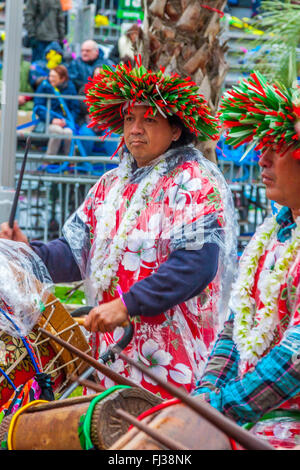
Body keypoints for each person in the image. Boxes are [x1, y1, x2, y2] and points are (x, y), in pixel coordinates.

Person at [0, 60, 237, 398]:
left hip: (175, 365)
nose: (135, 129)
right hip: (111, 360)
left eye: (149, 119)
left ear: (175, 130)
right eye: (129, 118)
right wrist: (24, 251)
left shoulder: (195, 181)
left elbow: (196, 265)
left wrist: (127, 305)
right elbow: (72, 253)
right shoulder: (109, 184)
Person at [193, 71, 300, 449]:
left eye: (278, 146)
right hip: (249, 421)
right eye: (262, 145)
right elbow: (237, 326)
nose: (262, 158)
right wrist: (206, 392)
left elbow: (296, 357)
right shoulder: (272, 232)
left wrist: (220, 405)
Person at [33, 64, 79, 156]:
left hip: (65, 122)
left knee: (68, 133)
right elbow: (38, 107)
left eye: (54, 77)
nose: (51, 79)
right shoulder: (44, 86)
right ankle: (49, 160)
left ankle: (70, 162)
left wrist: (66, 121)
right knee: (57, 131)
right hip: (48, 122)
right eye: (50, 76)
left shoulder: (70, 88)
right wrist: (52, 120)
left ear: (62, 78)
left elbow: (75, 108)